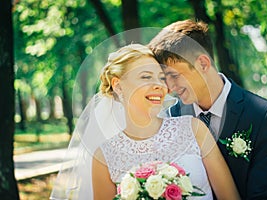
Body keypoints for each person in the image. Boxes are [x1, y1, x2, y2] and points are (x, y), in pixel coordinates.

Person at [50, 44, 240, 200]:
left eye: (161, 78)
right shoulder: (104, 157)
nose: (159, 85)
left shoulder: (193, 129)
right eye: (145, 77)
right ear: (118, 85)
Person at [148, 19, 267, 199]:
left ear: (203, 64)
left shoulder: (263, 116)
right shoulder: (171, 118)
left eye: (174, 76)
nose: (170, 88)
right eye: (164, 79)